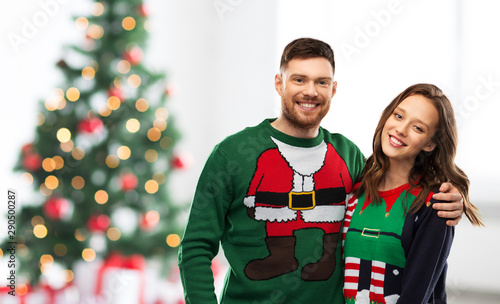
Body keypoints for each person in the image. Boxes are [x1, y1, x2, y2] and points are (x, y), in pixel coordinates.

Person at [178, 38, 464, 304]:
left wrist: (453, 196)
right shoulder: (231, 155)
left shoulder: (348, 155)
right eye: (299, 79)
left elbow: (397, 180)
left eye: (321, 82)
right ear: (279, 83)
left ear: (333, 89)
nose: (311, 92)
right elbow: (195, 247)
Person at [342, 83, 484, 304]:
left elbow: (416, 296)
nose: (401, 129)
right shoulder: (354, 187)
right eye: (398, 116)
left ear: (429, 144)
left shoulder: (435, 205)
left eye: (418, 128)